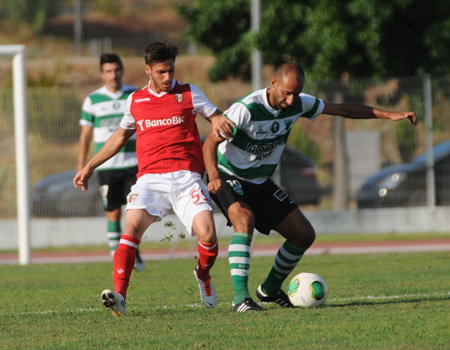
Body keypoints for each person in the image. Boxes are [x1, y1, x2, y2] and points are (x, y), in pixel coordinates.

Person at [203, 62, 417, 312]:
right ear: (273, 83)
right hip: (230, 175)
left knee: (304, 234)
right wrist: (214, 175)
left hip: (260, 181)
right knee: (244, 219)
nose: (291, 99)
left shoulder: (299, 104)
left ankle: (270, 289)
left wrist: (389, 114)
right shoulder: (246, 109)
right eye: (287, 93)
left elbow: (343, 108)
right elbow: (209, 143)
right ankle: (240, 298)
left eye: (296, 93)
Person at [73, 42, 234, 316]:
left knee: (208, 234)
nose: (168, 77)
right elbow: (119, 137)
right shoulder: (136, 100)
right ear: (148, 70)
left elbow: (214, 115)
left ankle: (203, 275)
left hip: (187, 178)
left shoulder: (189, 92)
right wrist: (90, 165)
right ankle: (120, 297)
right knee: (131, 227)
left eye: (171, 70)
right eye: (161, 72)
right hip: (150, 179)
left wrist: (219, 120)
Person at [78, 53, 145, 272]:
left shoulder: (134, 95)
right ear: (102, 74)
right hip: (107, 166)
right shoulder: (93, 100)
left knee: (134, 212)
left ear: (122, 71)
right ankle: (117, 256)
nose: (113, 75)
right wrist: (83, 165)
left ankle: (133, 254)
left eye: (116, 70)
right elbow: (85, 135)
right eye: (108, 71)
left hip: (134, 164)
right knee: (113, 212)